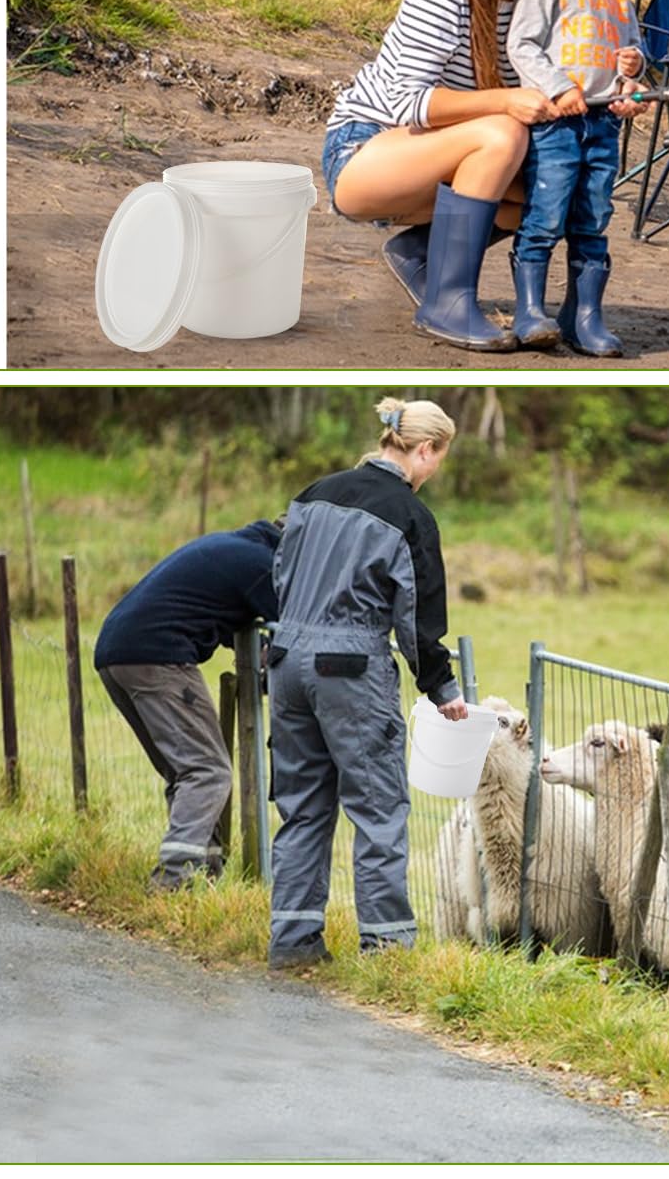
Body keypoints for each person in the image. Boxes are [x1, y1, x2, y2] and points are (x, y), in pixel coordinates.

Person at [321, 0, 563, 353]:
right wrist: (505, 100)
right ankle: (448, 304)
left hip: (442, 160)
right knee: (502, 133)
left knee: (559, 185)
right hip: (365, 151)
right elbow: (407, 101)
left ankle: (422, 255)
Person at [265, 397, 467, 970]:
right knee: (378, 807)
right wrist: (442, 687)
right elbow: (419, 615)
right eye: (437, 460)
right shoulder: (409, 516)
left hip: (285, 658)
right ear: (423, 449)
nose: (433, 473)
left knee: (303, 807)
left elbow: (278, 572)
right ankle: (387, 951)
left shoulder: (314, 492)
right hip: (349, 667)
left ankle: (294, 943)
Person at [505, 0, 653, 357]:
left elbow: (630, 57)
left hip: (602, 125)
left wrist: (632, 72)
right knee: (546, 217)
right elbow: (522, 46)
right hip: (556, 125)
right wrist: (557, 87)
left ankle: (583, 315)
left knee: (593, 218)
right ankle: (530, 310)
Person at [94, 520, 282, 890]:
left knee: (186, 772)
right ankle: (173, 879)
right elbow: (292, 632)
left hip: (115, 655)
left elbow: (230, 622)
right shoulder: (263, 565)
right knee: (207, 771)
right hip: (158, 656)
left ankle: (203, 875)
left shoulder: (232, 548)